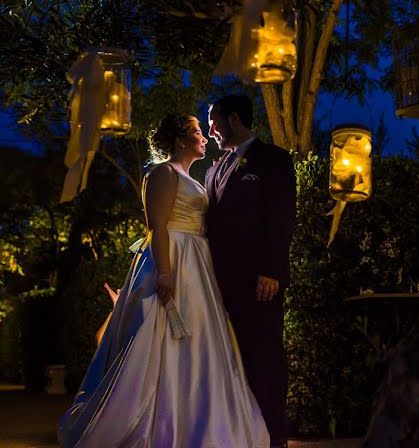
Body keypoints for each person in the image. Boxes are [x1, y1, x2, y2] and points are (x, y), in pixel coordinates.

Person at [58, 115, 270, 448]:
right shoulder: (164, 173)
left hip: (198, 263)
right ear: (180, 140)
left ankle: (199, 420)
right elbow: (158, 226)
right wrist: (166, 274)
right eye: (197, 132)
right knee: (161, 337)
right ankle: (154, 422)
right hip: (175, 257)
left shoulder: (191, 177)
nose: (204, 136)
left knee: (200, 340)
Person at [205, 95, 296, 448]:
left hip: (258, 283)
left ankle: (274, 439)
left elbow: (281, 217)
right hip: (218, 286)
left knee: (264, 359)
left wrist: (270, 270)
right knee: (229, 365)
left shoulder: (273, 160)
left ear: (235, 118)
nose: (210, 129)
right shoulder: (214, 168)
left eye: (214, 121)